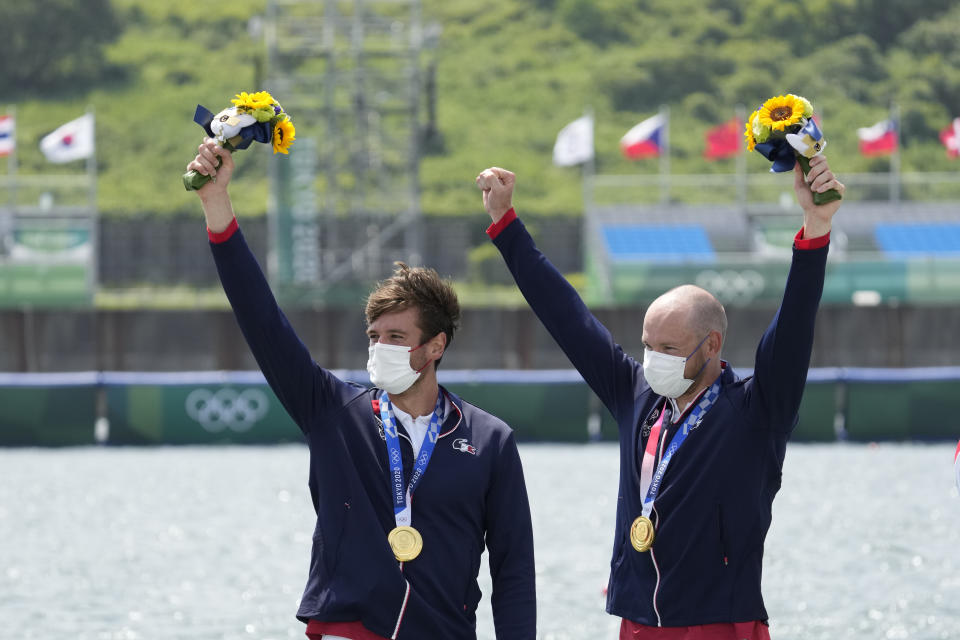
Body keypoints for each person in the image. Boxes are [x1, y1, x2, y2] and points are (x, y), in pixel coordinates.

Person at [476, 155, 844, 639]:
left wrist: (814, 228)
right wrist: (506, 225)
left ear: (711, 345)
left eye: (669, 349)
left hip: (719, 623)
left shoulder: (758, 409)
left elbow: (795, 324)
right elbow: (566, 316)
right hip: (638, 621)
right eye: (648, 346)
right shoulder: (636, 395)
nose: (653, 360)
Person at [186, 138, 536, 640]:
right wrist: (215, 203)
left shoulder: (490, 439)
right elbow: (260, 318)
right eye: (374, 337)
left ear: (435, 346)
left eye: (396, 337)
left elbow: (513, 572)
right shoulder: (332, 409)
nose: (380, 348)